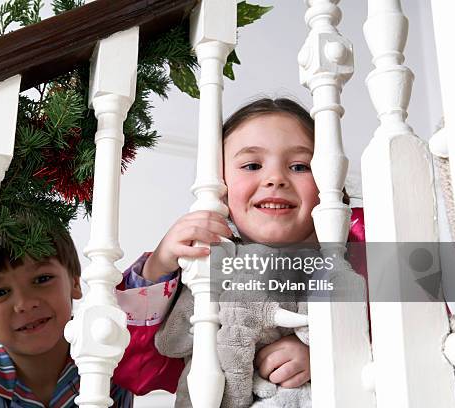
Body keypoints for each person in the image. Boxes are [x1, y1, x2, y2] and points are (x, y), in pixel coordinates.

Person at [122, 97, 366, 398]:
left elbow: (413, 338)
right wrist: (158, 265)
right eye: (252, 165)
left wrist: (328, 355)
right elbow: (139, 372)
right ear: (220, 186)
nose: (275, 178)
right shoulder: (206, 263)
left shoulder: (360, 253)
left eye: (300, 166)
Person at [0, 228, 183, 407]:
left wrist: (158, 264)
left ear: (75, 283)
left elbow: (136, 319)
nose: (24, 303)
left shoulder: (104, 346)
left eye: (42, 279)